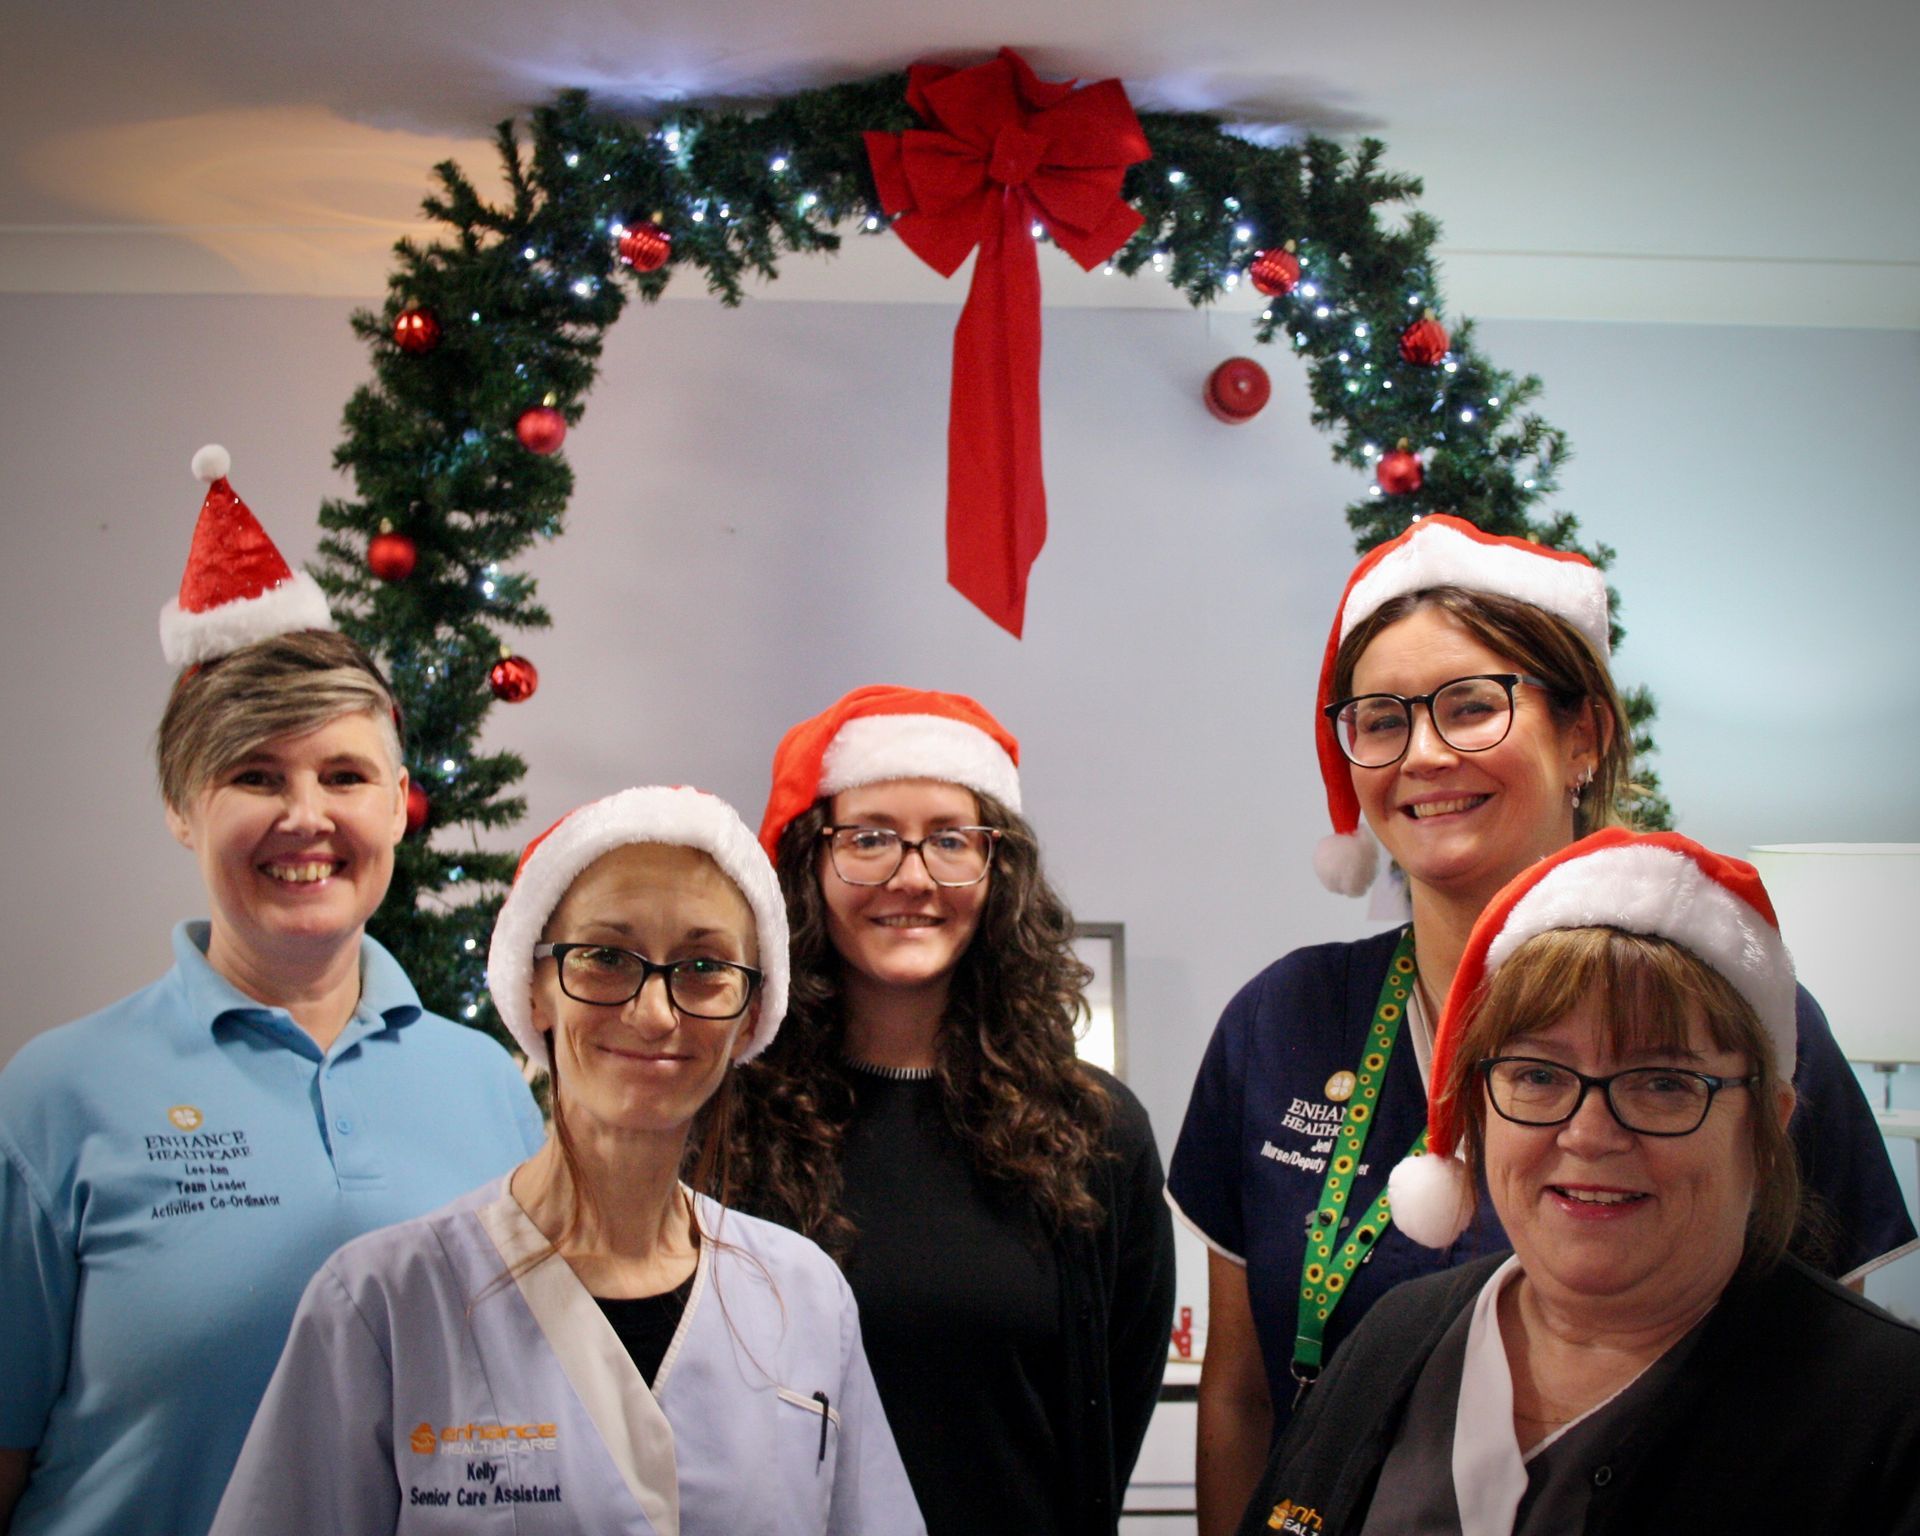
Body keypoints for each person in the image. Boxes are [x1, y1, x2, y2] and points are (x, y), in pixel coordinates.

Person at [1168, 514, 1917, 1533]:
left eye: (1472, 707)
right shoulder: (1282, 1022)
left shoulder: (1740, 1029)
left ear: (1585, 737)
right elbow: (1244, 1392)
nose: (1423, 754)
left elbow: (1843, 1394)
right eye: (1381, 720)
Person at [0, 446, 544, 1536]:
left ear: (397, 806)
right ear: (182, 807)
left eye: (343, 776)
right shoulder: (59, 1096)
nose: (306, 816)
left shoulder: (490, 1084)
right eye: (255, 774)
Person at [211, 784, 925, 1535]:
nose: (655, 1014)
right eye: (606, 958)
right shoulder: (380, 1305)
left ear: (750, 1013)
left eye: (704, 966)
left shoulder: (804, 1296)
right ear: (536, 987)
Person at [1236, 829, 1920, 1535]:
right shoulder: (1395, 1338)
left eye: (1663, 1082)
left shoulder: (1888, 1416)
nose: (1589, 1134)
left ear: (1766, 1123)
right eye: (1537, 1075)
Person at [726, 685, 1177, 1536]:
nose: (912, 876)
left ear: (997, 867)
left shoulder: (1095, 1133)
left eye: (949, 839)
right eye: (867, 839)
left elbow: (1110, 1420)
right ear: (808, 863)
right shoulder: (727, 1118)